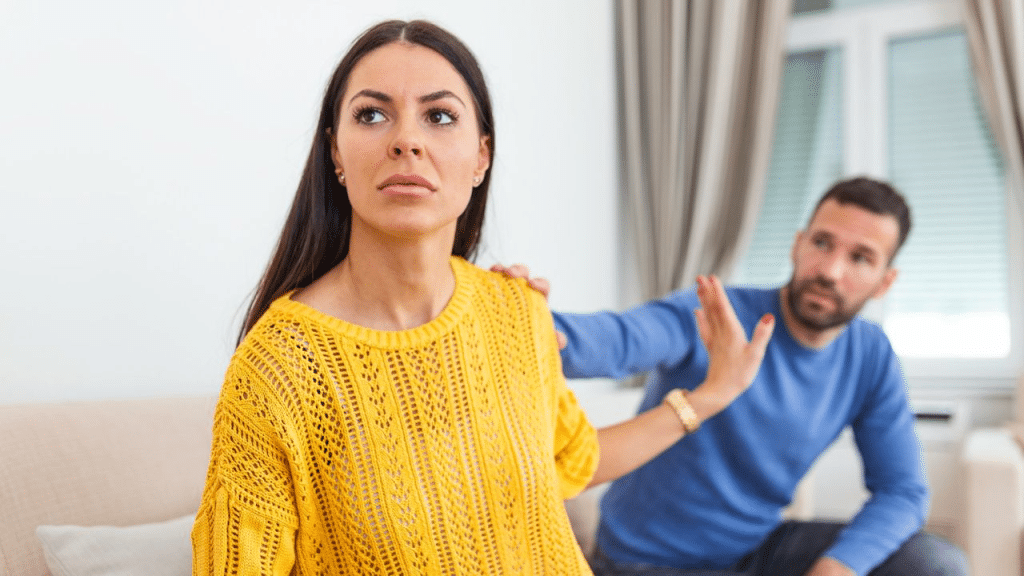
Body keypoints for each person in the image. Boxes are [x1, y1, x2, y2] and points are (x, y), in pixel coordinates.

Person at [190, 19, 774, 575]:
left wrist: (713, 394)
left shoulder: (515, 309)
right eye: (372, 115)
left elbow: (571, 460)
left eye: (439, 116)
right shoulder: (279, 367)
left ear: (481, 157)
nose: (407, 141)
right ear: (337, 155)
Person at [542, 178, 969, 576]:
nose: (831, 270)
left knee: (934, 563)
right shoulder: (717, 313)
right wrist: (524, 318)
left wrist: (839, 567)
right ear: (798, 245)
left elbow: (902, 492)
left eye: (860, 258)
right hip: (647, 562)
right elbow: (616, 340)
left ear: (885, 281)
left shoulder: (871, 355)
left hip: (754, 552)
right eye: (822, 243)